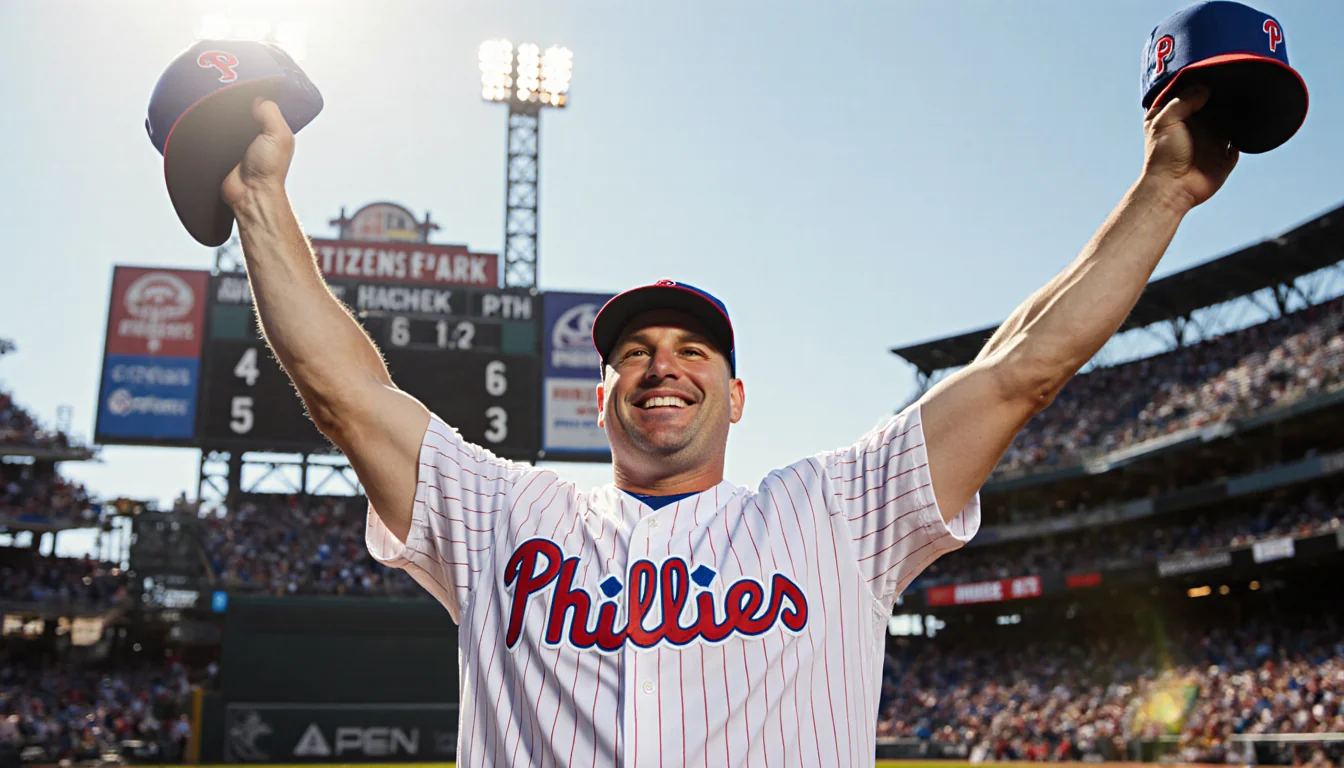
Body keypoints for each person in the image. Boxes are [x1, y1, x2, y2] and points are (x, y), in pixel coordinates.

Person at [220, 81, 1236, 766]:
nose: (662, 367)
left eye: (692, 351)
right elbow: (345, 390)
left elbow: (1025, 371)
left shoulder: (838, 511)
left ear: (737, 396)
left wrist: (1165, 190)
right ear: (603, 395)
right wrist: (261, 195)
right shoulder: (503, 514)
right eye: (633, 354)